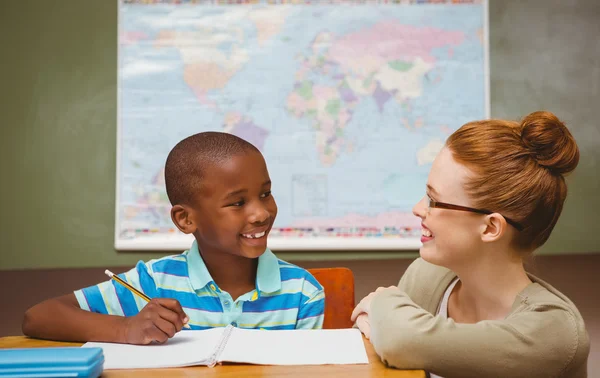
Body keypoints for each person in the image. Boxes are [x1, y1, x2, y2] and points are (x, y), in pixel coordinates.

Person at [22, 132, 325, 344]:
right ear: (185, 219)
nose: (261, 213)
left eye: (265, 194)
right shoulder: (153, 282)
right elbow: (38, 317)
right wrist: (127, 328)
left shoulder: (302, 292)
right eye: (238, 203)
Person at [351, 111, 589, 378]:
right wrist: (388, 326)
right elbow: (386, 348)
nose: (418, 209)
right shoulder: (427, 276)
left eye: (434, 200)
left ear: (489, 227)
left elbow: (398, 341)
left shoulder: (555, 329)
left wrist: (382, 302)